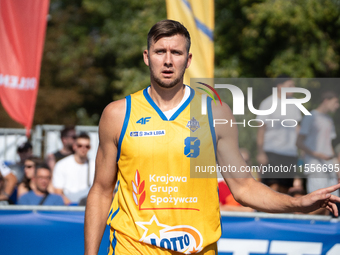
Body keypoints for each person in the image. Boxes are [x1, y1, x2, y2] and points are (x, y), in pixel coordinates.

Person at [84, 20, 340, 255]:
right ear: (146, 57)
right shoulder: (118, 114)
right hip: (133, 246)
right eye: (160, 51)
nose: (168, 60)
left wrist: (299, 203)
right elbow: (101, 190)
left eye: (177, 52)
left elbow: (244, 187)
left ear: (189, 59)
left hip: (198, 248)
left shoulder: (216, 113)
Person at [256, 75, 302, 194]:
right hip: (272, 152)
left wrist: (301, 149)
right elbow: (261, 130)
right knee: (272, 187)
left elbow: (297, 127)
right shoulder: (267, 103)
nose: (294, 88)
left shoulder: (295, 104)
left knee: (285, 189)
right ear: (280, 87)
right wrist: (261, 153)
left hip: (290, 153)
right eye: (290, 86)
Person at [296, 91, 340, 214]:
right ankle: (304, 225)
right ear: (326, 100)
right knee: (318, 204)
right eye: (335, 102)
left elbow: (329, 145)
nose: (337, 106)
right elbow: (299, 142)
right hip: (315, 166)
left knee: (332, 205)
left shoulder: (329, 119)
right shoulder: (310, 116)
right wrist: (318, 154)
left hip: (329, 167)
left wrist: (336, 165)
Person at [52, 132, 95, 205]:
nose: (83, 149)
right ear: (74, 146)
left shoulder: (95, 165)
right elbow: (57, 191)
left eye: (87, 146)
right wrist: (72, 206)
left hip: (88, 204)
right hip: (67, 207)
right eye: (80, 146)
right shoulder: (61, 165)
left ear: (90, 148)